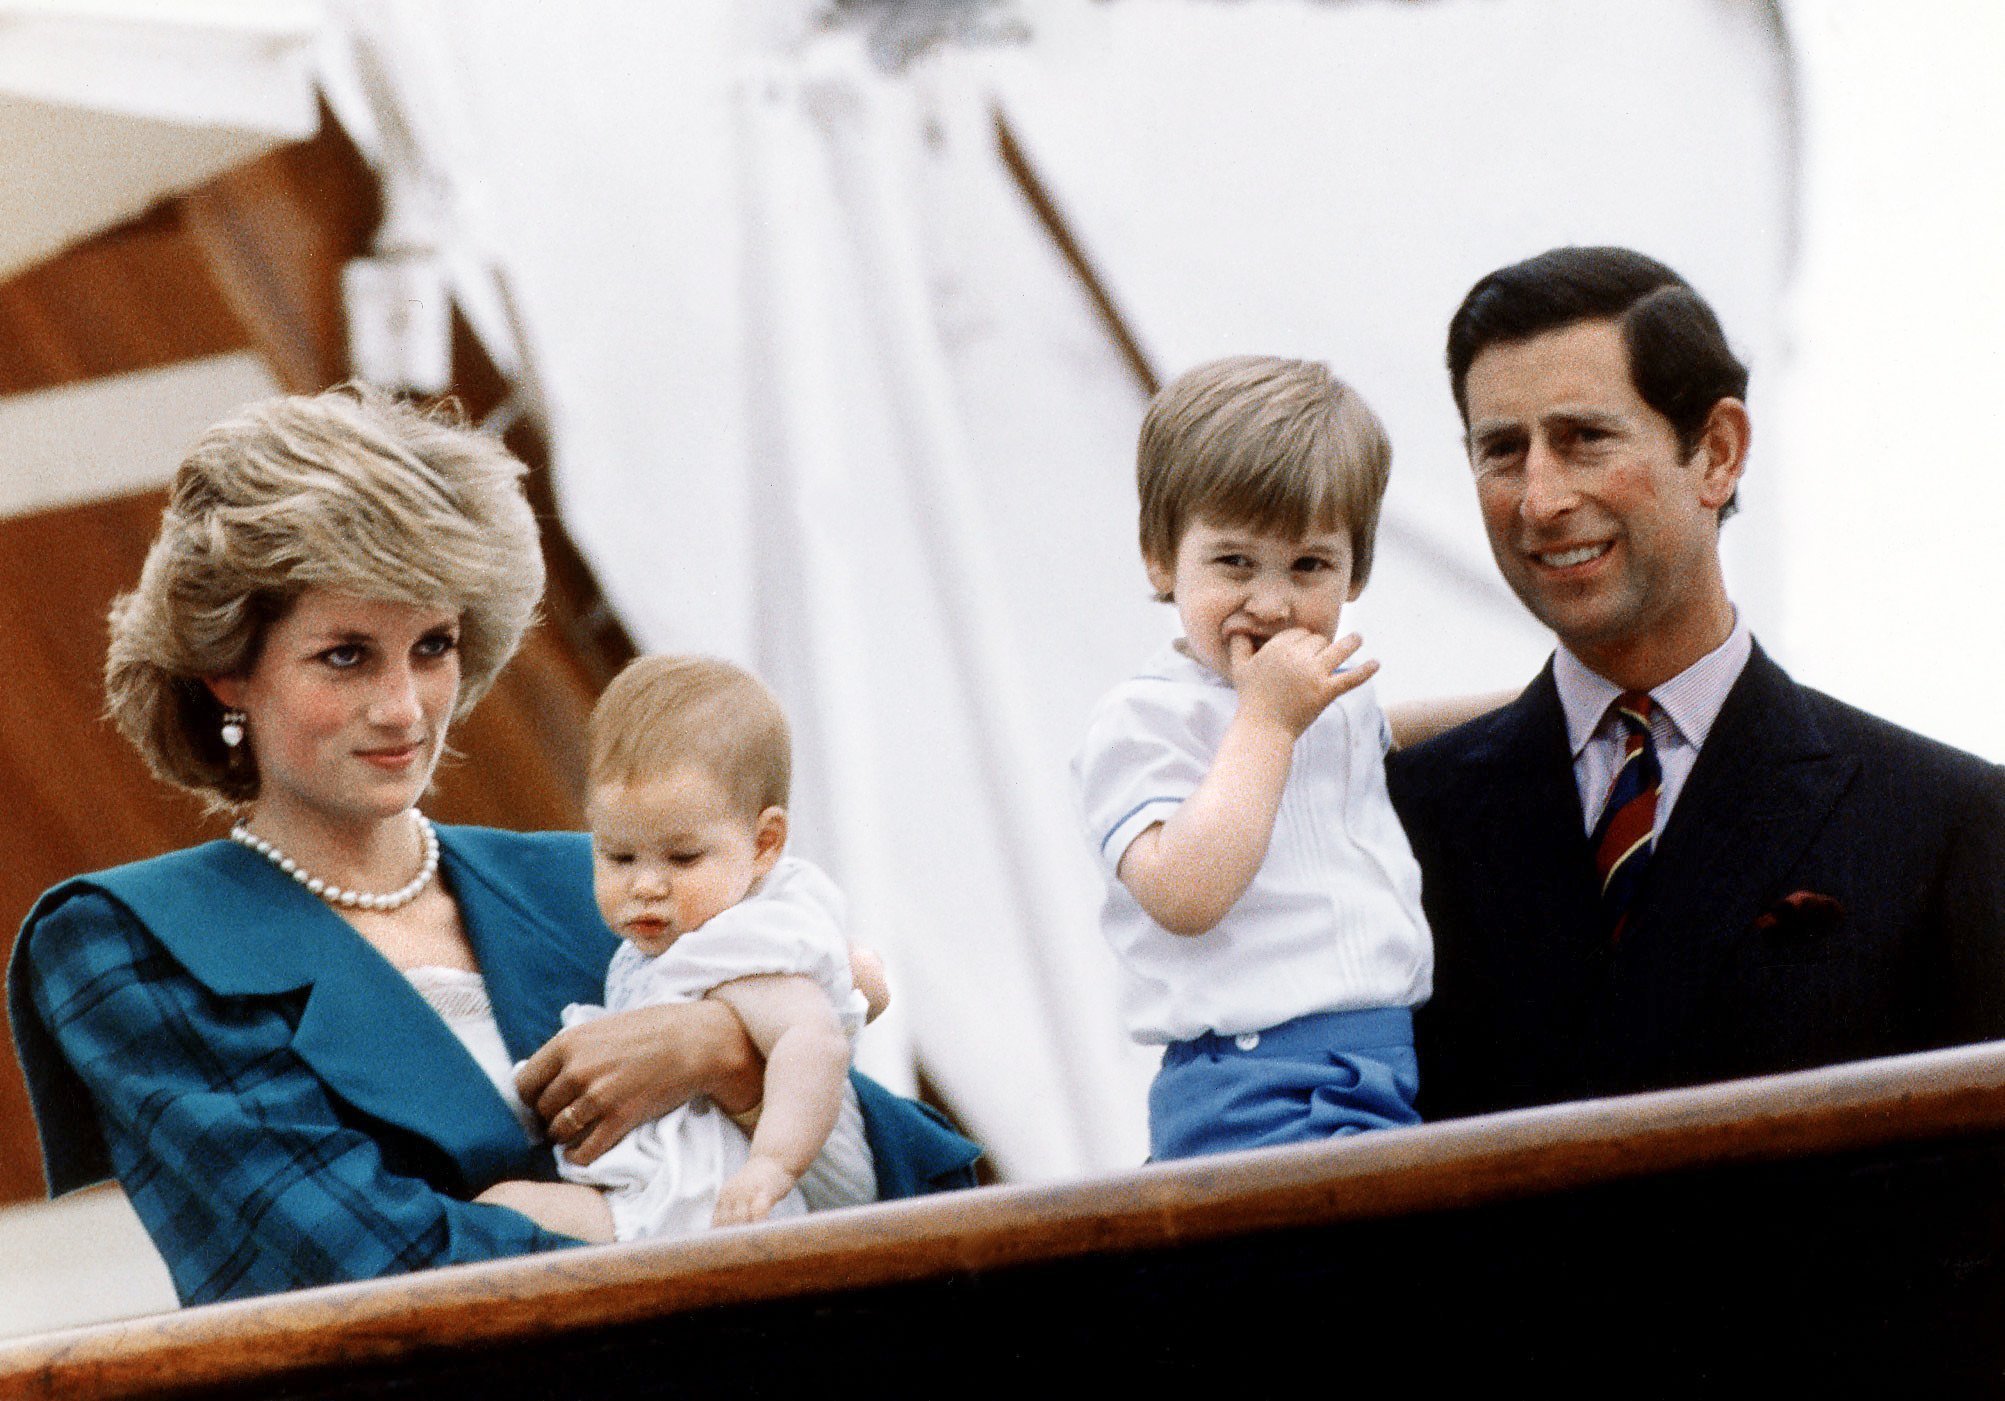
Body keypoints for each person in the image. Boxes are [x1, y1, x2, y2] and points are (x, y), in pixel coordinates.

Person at [8, 384, 979, 1306]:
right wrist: (683, 1221)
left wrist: (719, 1052)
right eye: (346, 655)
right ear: (227, 670)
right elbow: (371, 1270)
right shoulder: (126, 941)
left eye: (431, 646)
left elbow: (912, 1188)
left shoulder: (593, 880)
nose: (403, 707)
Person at [1385, 247, 2005, 1375]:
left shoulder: (1947, 825)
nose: (1539, 499)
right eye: (1499, 451)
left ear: (1715, 451)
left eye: (1583, 438)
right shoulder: (1394, 822)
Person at [1073, 355, 1432, 1162]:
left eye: (1308, 565)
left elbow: (1368, 784)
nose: (1270, 603)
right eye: (1234, 562)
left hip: (1376, 1059)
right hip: (1256, 1078)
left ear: (1356, 570)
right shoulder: (1143, 719)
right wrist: (1265, 724)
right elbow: (1185, 892)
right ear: (1161, 557)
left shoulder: (1326, 697)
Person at [534, 653, 874, 1239]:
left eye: (682, 857)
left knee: (509, 1213)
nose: (645, 885)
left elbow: (812, 1038)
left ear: (765, 844)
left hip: (732, 1196)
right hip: (688, 1180)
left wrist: (772, 1166)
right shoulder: (683, 937)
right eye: (618, 856)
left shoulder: (742, 939)